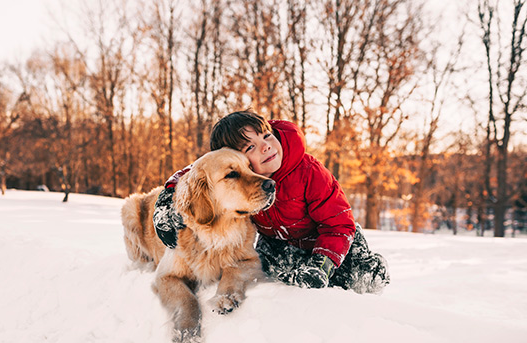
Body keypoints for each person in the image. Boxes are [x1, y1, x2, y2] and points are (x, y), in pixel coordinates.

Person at [153, 110, 390, 293]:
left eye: (267, 135)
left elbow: (338, 223)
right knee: (265, 271)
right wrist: (167, 198)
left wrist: (322, 265)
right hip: (279, 241)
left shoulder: (310, 173)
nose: (266, 145)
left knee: (352, 275)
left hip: (332, 238)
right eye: (250, 146)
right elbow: (197, 171)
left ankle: (368, 273)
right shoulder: (242, 180)